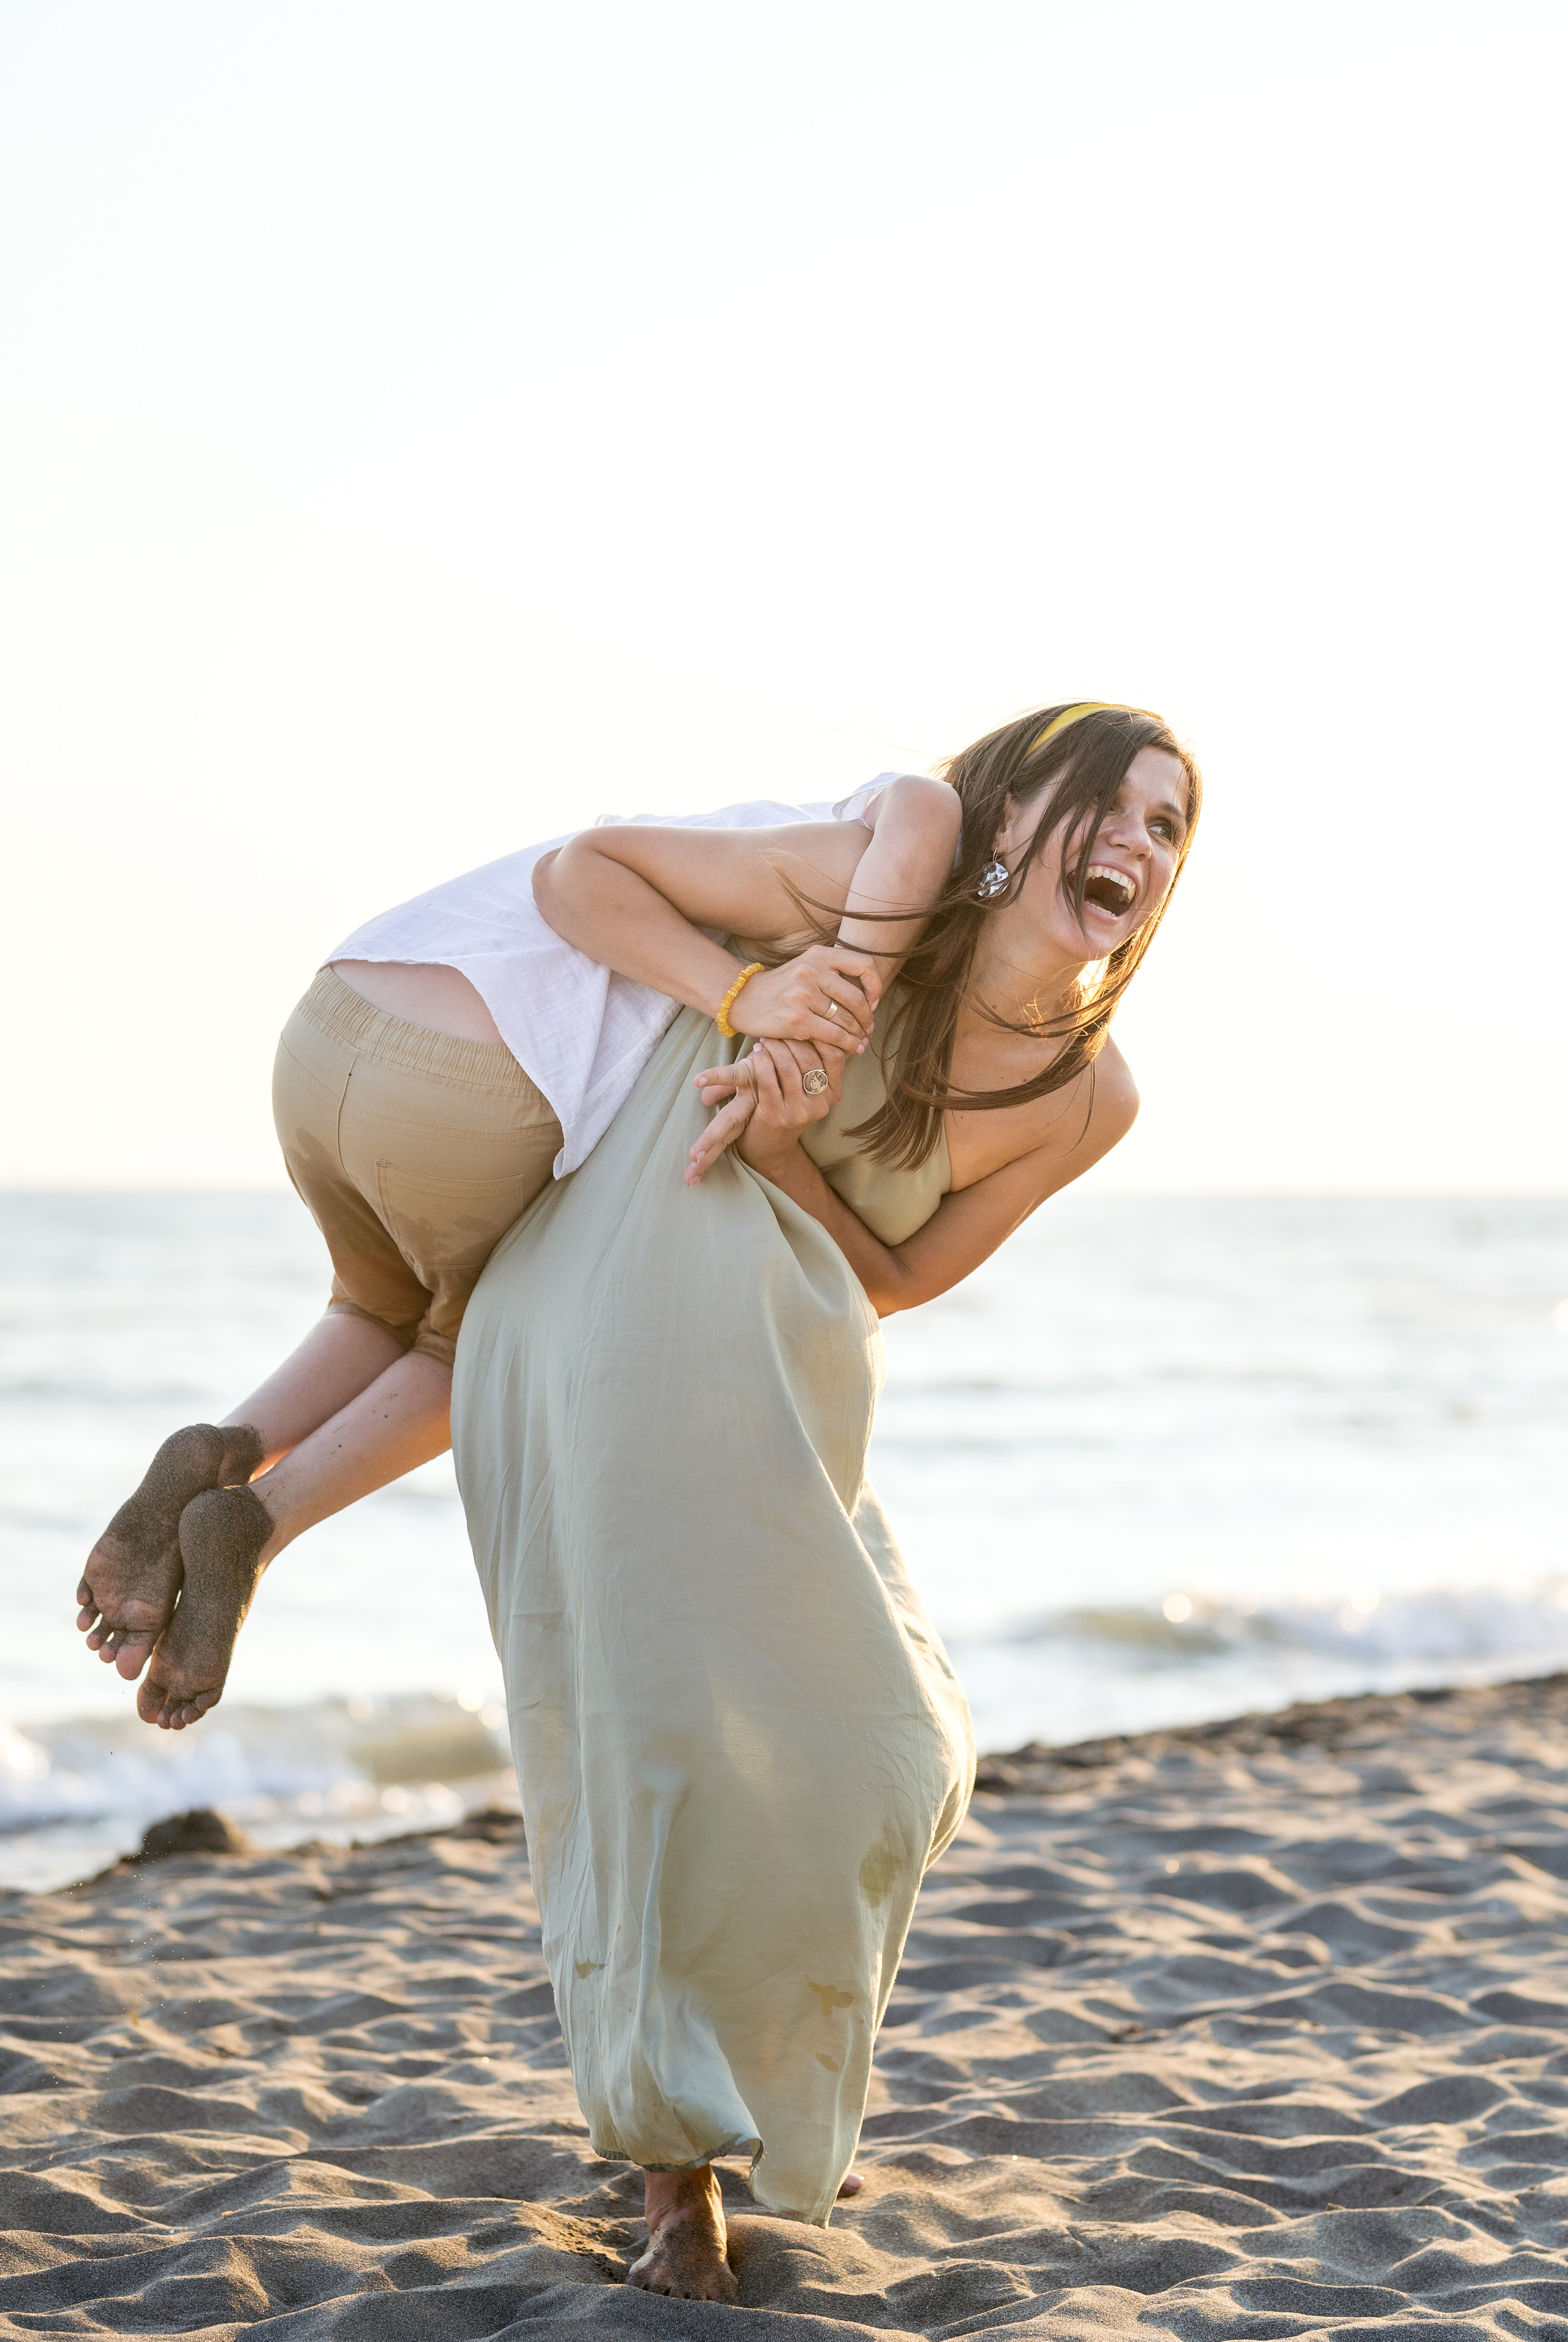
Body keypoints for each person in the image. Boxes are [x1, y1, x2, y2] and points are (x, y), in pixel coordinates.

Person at [448, 700, 1200, 2297]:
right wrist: (739, 996)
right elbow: (580, 879)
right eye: (1113, 805)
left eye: (1169, 826)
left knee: (891, 1755)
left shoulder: (1090, 1093)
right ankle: (677, 2189)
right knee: (662, 1753)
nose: (1140, 843)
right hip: (635, 1341)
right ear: (1011, 821)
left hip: (793, 1401)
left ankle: (761, 2084)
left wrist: (787, 1143)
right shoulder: (863, 904)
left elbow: (904, 1272)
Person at [74, 774, 967, 1725]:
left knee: (372, 1306)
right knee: (465, 1347)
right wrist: (761, 998)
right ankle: (258, 1522)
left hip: (334, 1022)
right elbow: (920, 808)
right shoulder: (863, 854)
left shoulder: (757, 828)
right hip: (478, 1075)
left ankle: (224, 1448)